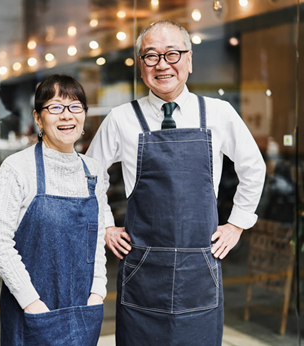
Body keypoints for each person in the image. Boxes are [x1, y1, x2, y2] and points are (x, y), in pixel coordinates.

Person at [86, 20, 266, 345]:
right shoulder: (121, 119)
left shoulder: (218, 113)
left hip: (199, 267)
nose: (162, 65)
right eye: (151, 56)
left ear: (189, 60)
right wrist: (105, 226)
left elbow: (253, 167)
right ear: (141, 65)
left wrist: (237, 225)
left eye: (172, 54)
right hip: (143, 268)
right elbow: (89, 174)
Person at [0, 74, 107, 345]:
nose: (67, 116)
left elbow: (96, 239)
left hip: (82, 309)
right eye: (55, 107)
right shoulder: (16, 169)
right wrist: (31, 303)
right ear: (38, 118)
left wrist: (97, 293)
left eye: (75, 106)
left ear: (84, 115)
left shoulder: (93, 171)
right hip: (31, 311)